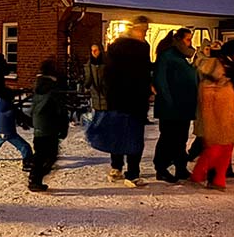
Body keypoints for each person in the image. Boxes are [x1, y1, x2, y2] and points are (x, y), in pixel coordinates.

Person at [189, 40, 234, 189]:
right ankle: (204, 174)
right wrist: (209, 124)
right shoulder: (209, 84)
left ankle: (217, 178)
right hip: (217, 121)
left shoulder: (227, 80)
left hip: (228, 120)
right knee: (214, 150)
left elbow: (233, 100)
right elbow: (206, 107)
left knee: (225, 150)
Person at [104, 16, 153, 186]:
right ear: (134, 29)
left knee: (124, 136)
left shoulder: (131, 46)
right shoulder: (129, 48)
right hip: (129, 99)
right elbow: (112, 74)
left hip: (124, 99)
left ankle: (122, 169)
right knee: (131, 136)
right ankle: (128, 171)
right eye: (143, 30)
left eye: (146, 30)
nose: (145, 34)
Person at [152, 27, 197, 183]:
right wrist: (168, 101)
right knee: (168, 137)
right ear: (178, 40)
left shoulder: (182, 57)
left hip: (183, 106)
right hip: (172, 107)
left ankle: (180, 167)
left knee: (181, 138)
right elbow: (161, 80)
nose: (190, 43)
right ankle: (161, 168)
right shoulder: (167, 56)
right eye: (187, 39)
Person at [27, 58, 68, 191]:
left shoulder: (39, 85)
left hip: (39, 125)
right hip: (50, 125)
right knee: (49, 154)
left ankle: (35, 177)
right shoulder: (53, 88)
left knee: (40, 152)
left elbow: (34, 107)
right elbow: (60, 110)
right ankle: (35, 178)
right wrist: (63, 127)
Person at [0, 85, 32, 168]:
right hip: (9, 132)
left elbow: (10, 94)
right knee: (24, 146)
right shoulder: (10, 108)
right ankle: (27, 162)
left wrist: (22, 91)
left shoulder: (1, 104)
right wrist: (28, 123)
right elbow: (20, 116)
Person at [82, 43, 107, 124]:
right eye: (92, 51)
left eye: (95, 50)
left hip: (105, 95)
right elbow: (88, 79)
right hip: (95, 94)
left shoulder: (106, 63)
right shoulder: (89, 64)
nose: (93, 52)